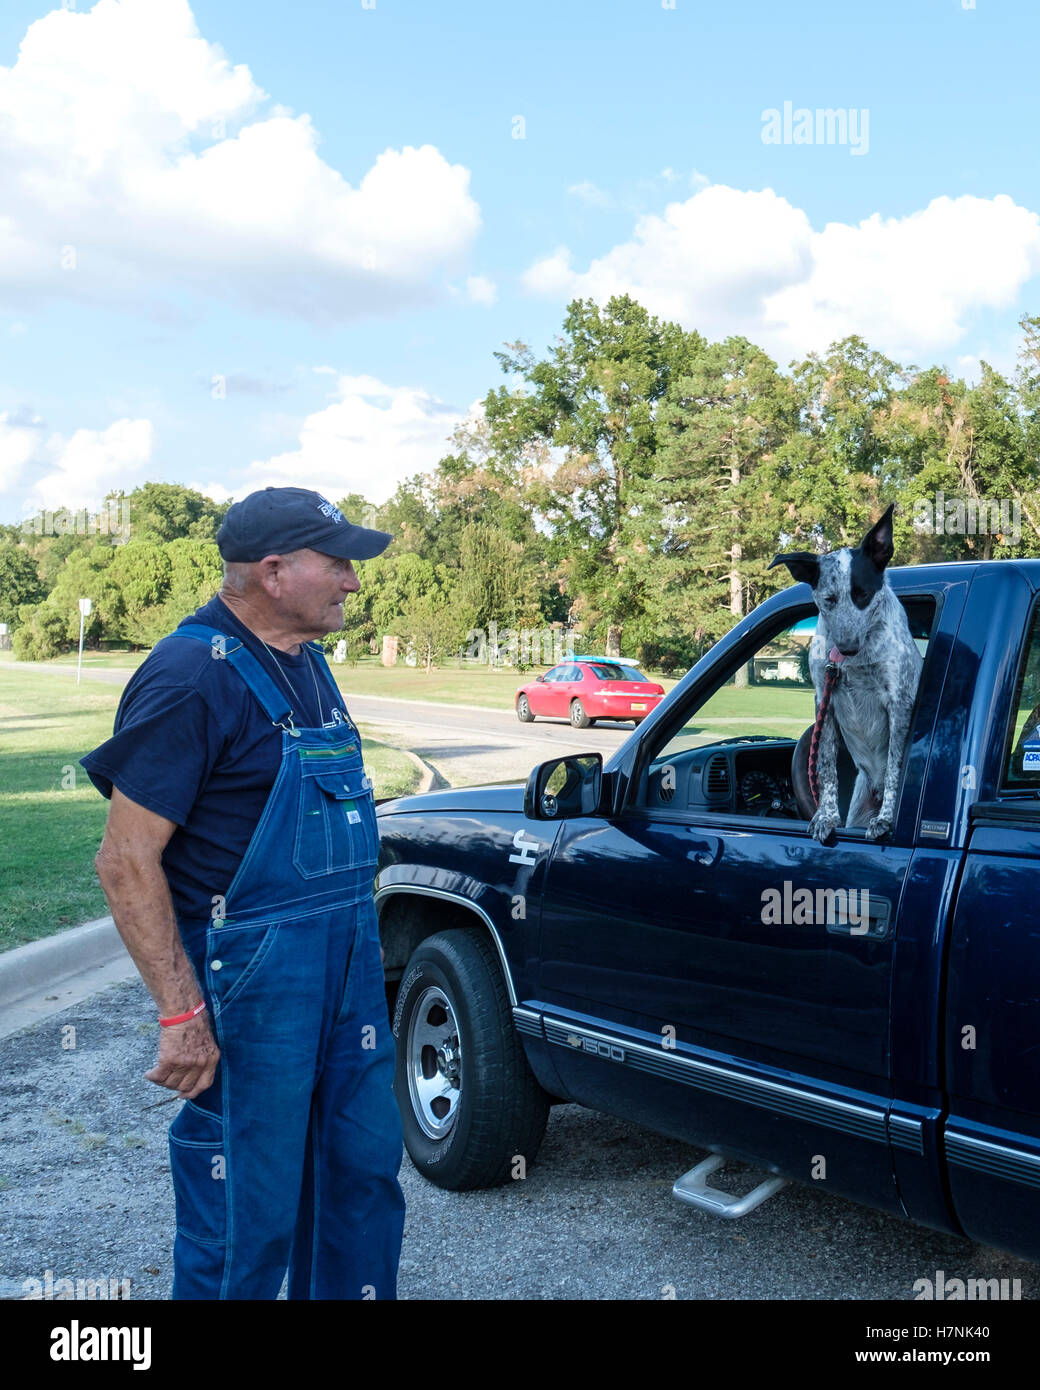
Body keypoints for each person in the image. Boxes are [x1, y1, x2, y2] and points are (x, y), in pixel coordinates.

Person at [81, 486, 406, 1300]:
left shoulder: (310, 665)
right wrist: (182, 1014)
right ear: (273, 571)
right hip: (253, 983)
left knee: (362, 1179)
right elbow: (125, 861)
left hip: (345, 964)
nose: (353, 582)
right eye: (337, 563)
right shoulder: (192, 676)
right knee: (244, 1217)